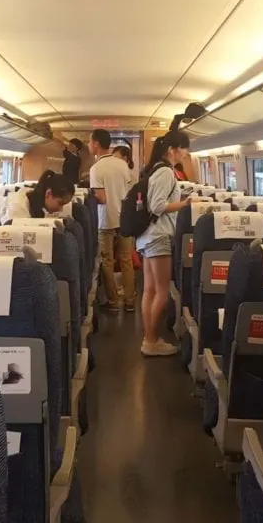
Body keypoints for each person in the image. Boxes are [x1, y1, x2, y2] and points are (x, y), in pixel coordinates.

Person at [137, 130, 191, 357]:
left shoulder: (156, 169)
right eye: (184, 148)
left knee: (150, 290)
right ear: (173, 149)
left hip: (149, 235)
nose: (186, 154)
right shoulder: (166, 172)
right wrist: (186, 203)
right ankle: (151, 341)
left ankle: (149, 339)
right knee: (160, 292)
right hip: (158, 236)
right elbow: (157, 206)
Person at [88, 129, 136, 313]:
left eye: (90, 142)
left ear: (97, 144)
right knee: (126, 260)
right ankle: (130, 300)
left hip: (105, 219)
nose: (89, 145)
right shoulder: (122, 165)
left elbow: (101, 198)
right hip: (124, 218)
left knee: (107, 260)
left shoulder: (96, 169)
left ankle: (114, 301)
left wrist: (91, 195)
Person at [0, 170, 75, 224]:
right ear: (48, 193)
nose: (61, 209)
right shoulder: (18, 208)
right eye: (60, 203)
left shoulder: (34, 197)